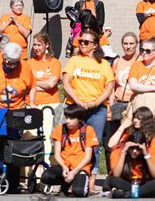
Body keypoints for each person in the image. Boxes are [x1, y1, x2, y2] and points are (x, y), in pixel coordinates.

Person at [0, 42, 36, 189]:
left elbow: (32, 86)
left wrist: (32, 102)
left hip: (16, 111)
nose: (12, 66)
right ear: (3, 57)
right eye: (9, 63)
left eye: (15, 63)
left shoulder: (24, 67)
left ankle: (13, 182)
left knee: (13, 145)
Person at [63, 29, 115, 193]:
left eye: (86, 42)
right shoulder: (74, 60)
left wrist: (97, 102)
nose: (82, 44)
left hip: (96, 109)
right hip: (76, 107)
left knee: (94, 144)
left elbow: (110, 86)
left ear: (95, 45)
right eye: (81, 41)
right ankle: (72, 178)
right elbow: (66, 82)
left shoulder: (103, 63)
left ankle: (91, 181)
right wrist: (79, 102)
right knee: (73, 142)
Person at [41, 104, 99, 197]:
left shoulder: (88, 130)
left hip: (80, 168)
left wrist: (74, 172)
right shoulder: (60, 129)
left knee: (79, 192)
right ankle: (66, 184)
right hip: (65, 166)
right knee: (46, 176)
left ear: (80, 119)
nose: (67, 121)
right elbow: (57, 155)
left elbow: (88, 157)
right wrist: (64, 167)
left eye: (71, 118)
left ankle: (79, 184)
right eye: (67, 117)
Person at [27, 32, 61, 164]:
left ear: (46, 45)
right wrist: (41, 85)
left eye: (39, 44)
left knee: (47, 136)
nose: (36, 48)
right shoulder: (29, 63)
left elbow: (52, 83)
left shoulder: (55, 63)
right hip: (32, 104)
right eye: (34, 45)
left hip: (50, 104)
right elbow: (26, 84)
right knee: (30, 136)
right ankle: (31, 171)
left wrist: (34, 84)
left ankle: (45, 168)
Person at [107, 33, 139, 145]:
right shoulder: (117, 61)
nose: (128, 46)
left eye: (131, 43)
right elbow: (112, 85)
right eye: (125, 43)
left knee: (132, 138)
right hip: (118, 103)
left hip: (134, 104)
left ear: (137, 44)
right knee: (116, 138)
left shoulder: (141, 61)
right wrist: (111, 104)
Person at [108, 131, 155, 198]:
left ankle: (127, 194)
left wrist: (146, 154)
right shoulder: (118, 151)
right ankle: (143, 193)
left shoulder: (148, 152)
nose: (134, 151)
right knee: (113, 180)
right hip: (128, 183)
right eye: (132, 148)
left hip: (144, 184)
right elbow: (116, 174)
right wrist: (124, 152)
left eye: (138, 149)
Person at [126, 37, 155, 117]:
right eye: (142, 50)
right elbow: (133, 86)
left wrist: (142, 87)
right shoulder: (136, 65)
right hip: (139, 105)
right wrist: (153, 88)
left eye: (148, 51)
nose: (144, 53)